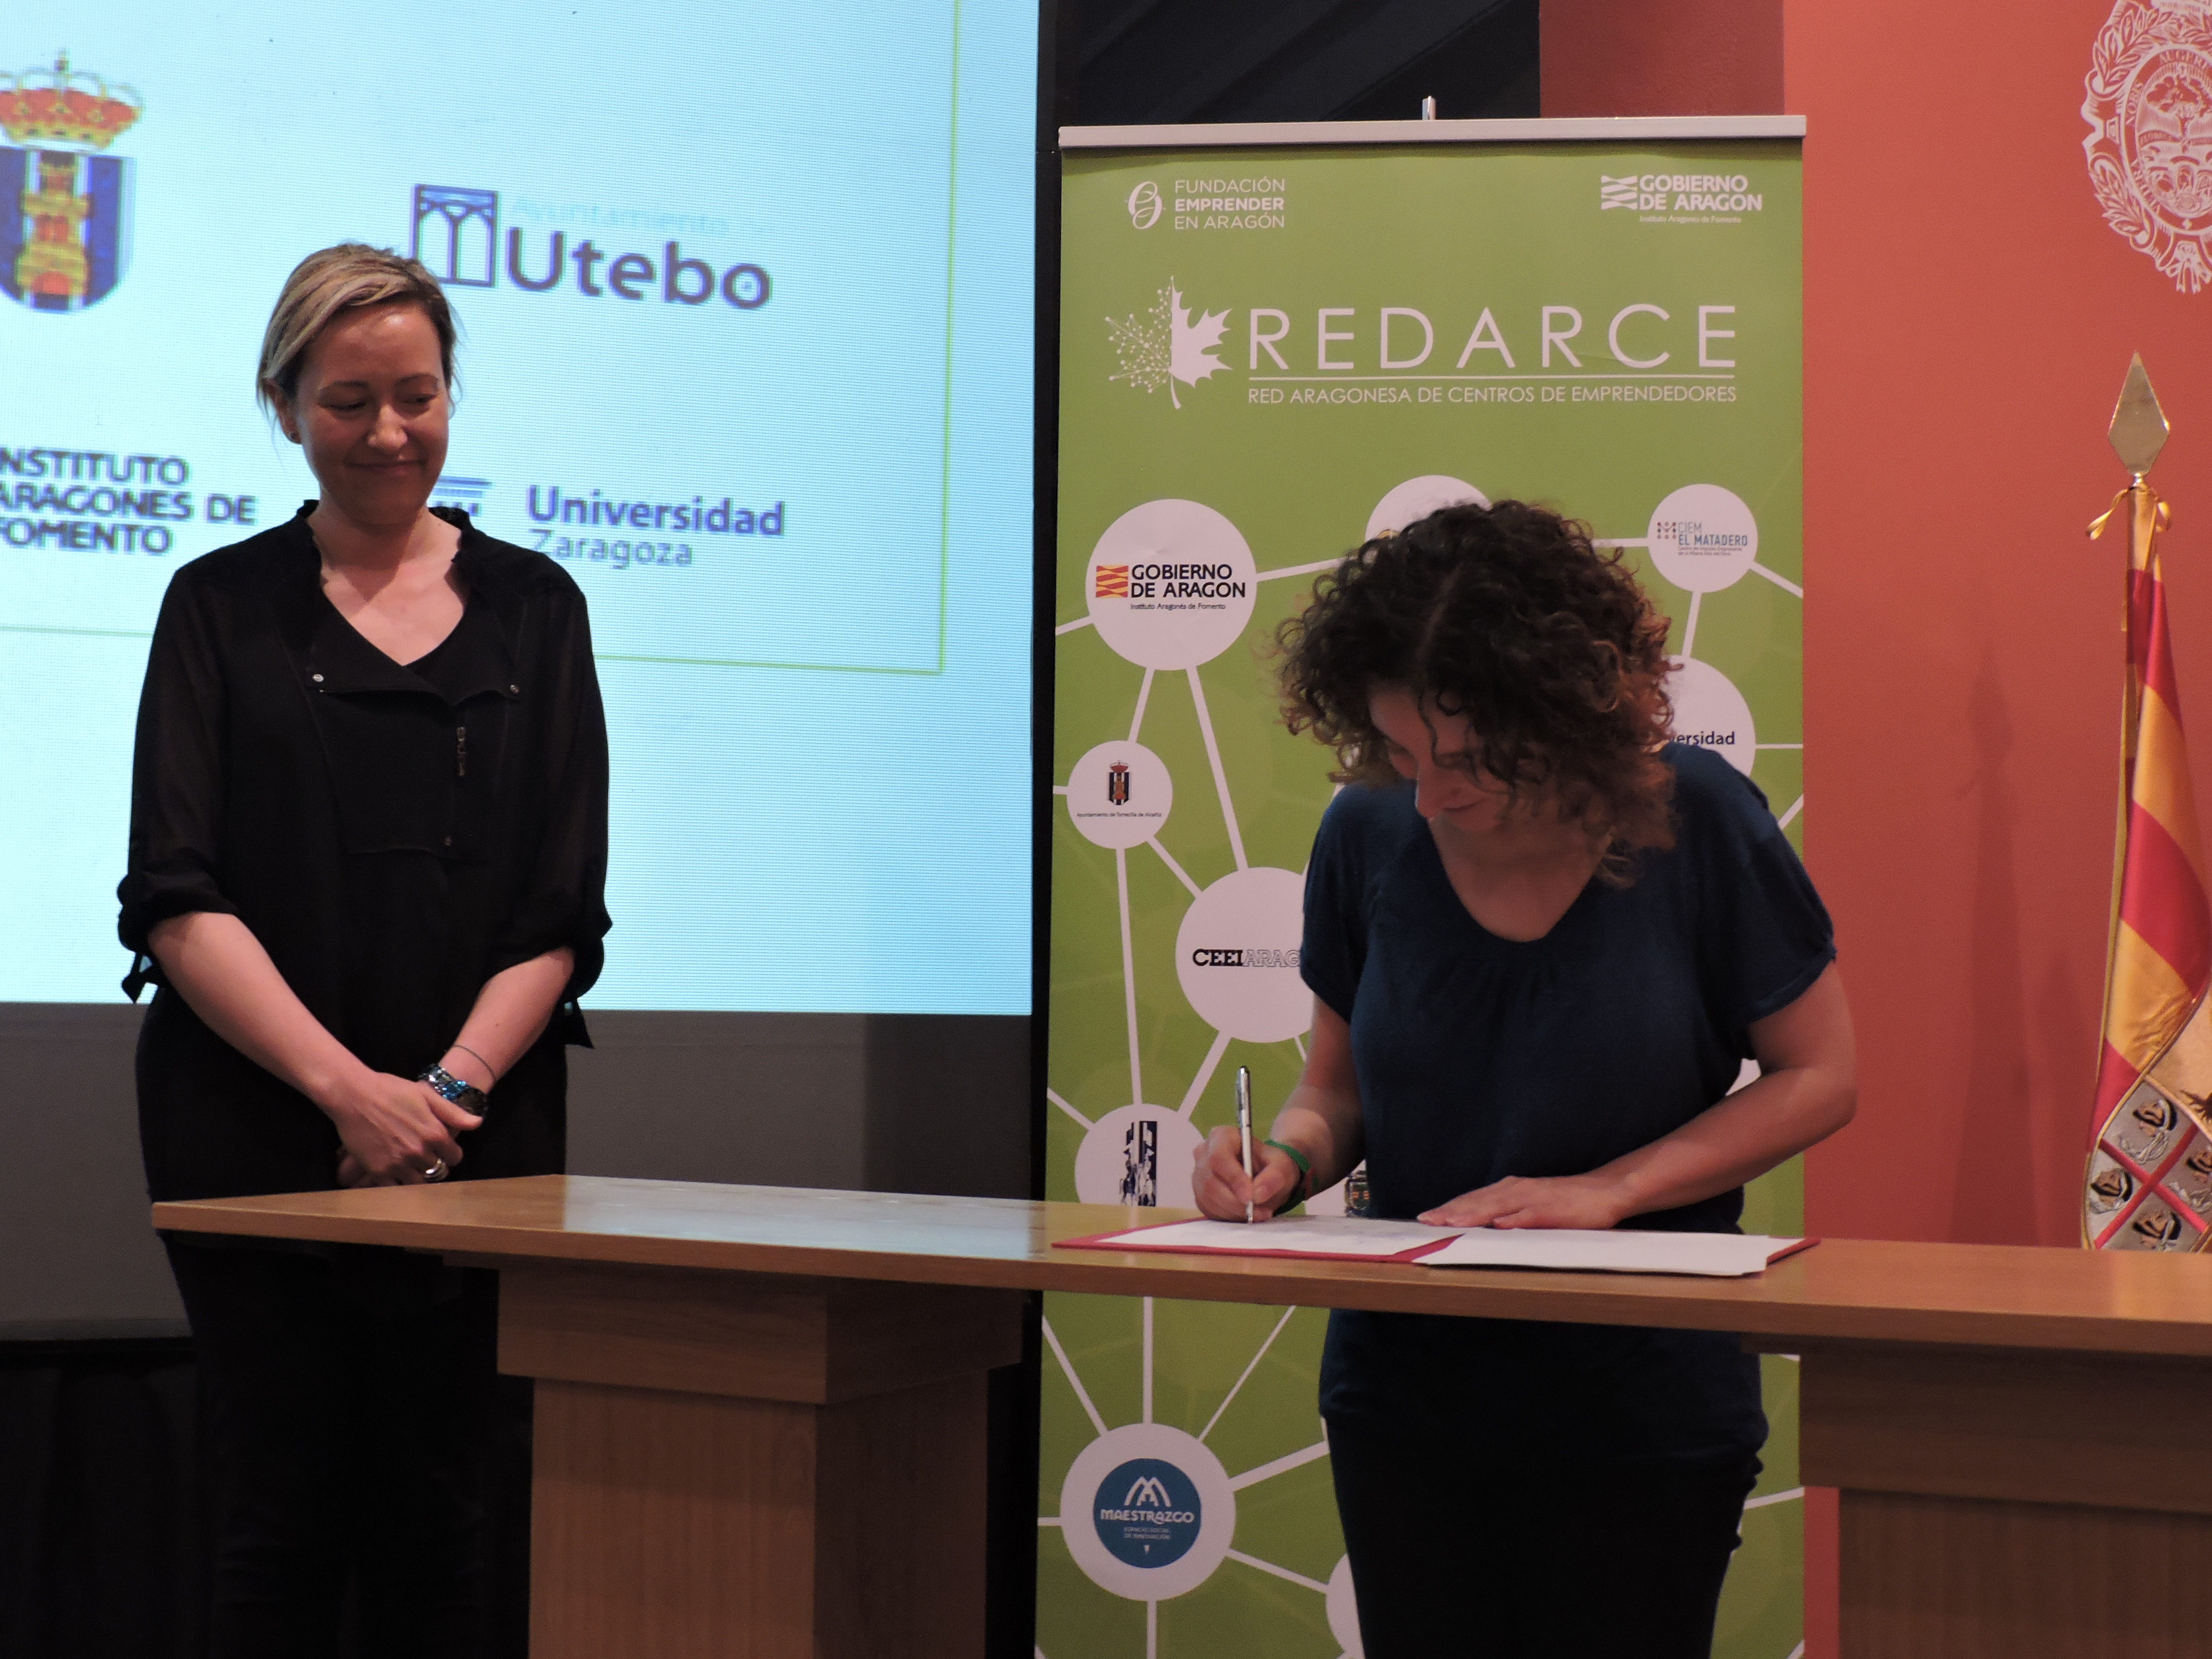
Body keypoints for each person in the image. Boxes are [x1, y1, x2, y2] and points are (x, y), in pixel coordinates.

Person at [1190, 500, 1854, 1659]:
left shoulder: (1697, 817)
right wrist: (1284, 1157)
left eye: (1463, 760)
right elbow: (1337, 1092)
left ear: (1562, 711)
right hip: (1408, 1394)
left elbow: (1823, 1075)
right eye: (1401, 754)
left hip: (1640, 1394)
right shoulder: (1366, 833)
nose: (1428, 794)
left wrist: (1609, 1190)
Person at [117, 243, 611, 1657]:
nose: (390, 432)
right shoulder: (217, 605)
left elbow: (561, 912)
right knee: (273, 1520)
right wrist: (353, 1097)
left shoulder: (540, 607)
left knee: (442, 1515)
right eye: (348, 401)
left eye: (417, 395)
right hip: (254, 1123)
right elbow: (174, 894)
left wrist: (439, 1100)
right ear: (284, 407)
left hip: (478, 1129)